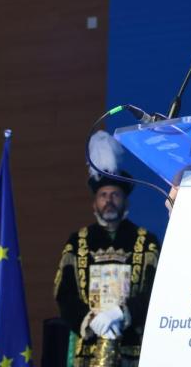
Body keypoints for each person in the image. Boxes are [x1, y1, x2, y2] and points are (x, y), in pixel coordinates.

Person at [55, 133, 161, 367]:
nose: (109, 200)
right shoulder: (77, 242)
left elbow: (158, 291)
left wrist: (123, 312)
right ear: (94, 203)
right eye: (103, 195)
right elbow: (64, 294)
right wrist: (90, 319)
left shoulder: (146, 242)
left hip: (133, 346)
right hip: (87, 346)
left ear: (125, 200)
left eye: (115, 194)